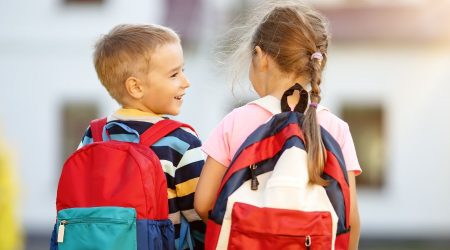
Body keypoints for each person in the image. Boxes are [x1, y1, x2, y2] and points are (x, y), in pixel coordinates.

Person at [194, 1, 361, 249]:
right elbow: (351, 219)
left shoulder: (235, 121)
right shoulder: (335, 128)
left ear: (260, 57)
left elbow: (204, 203)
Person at [81, 24, 205, 249]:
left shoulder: (94, 135)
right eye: (174, 74)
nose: (186, 82)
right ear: (136, 87)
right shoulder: (181, 142)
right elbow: (202, 215)